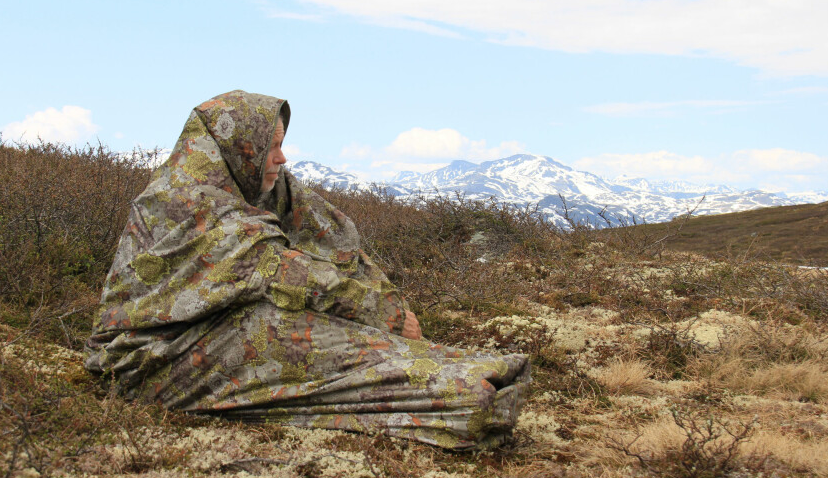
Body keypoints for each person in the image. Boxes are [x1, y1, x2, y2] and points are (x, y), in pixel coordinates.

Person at [85, 90, 531, 449]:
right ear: (243, 149)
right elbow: (280, 271)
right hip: (145, 361)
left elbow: (332, 235)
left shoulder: (243, 180)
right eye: (272, 148)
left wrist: (389, 301)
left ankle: (472, 372)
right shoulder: (189, 199)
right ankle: (468, 398)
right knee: (286, 334)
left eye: (280, 146)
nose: (281, 159)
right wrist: (385, 314)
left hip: (210, 326)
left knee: (297, 326)